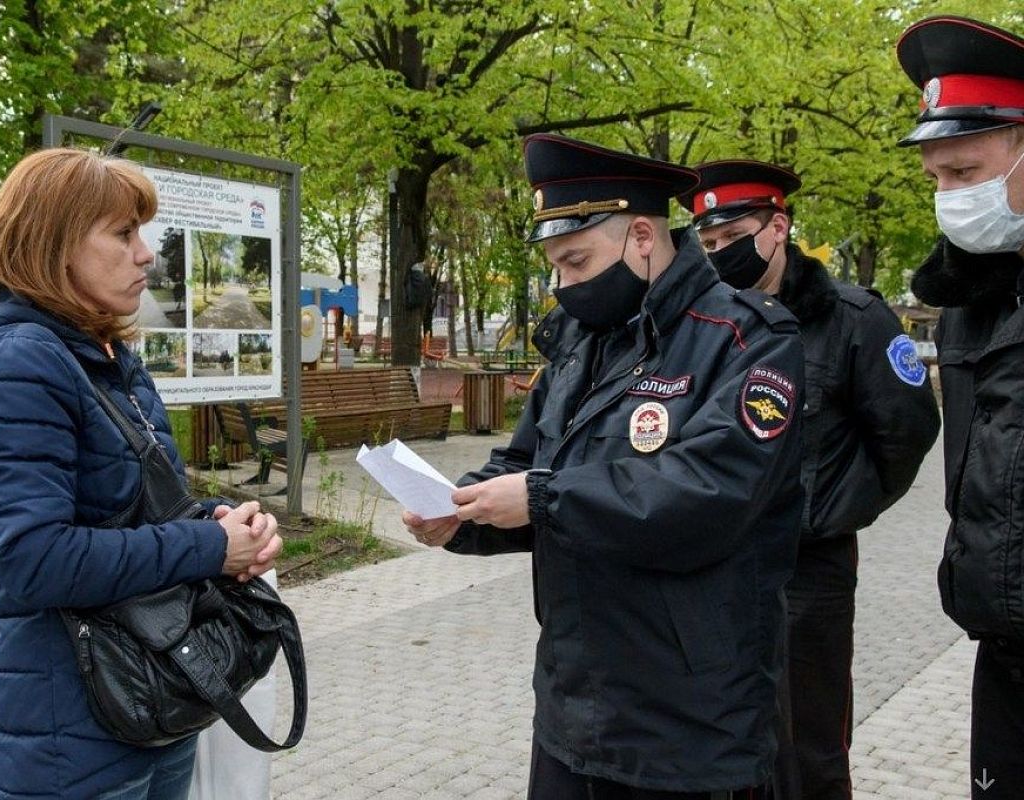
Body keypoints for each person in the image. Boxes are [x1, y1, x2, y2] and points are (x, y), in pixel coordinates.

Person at [405, 132, 806, 798]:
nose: (564, 286)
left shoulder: (748, 340)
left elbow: (707, 493)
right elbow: (527, 463)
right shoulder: (580, 347)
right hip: (576, 703)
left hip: (688, 720)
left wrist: (540, 498)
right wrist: (459, 512)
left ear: (642, 237)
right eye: (556, 267)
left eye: (576, 261)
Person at [0, 148, 282, 800]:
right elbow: (32, 559)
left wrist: (222, 527)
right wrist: (207, 546)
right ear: (55, 245)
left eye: (141, 233)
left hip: (150, 700)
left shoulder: (102, 353)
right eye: (122, 234)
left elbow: (137, 510)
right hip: (75, 730)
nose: (145, 254)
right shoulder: (20, 362)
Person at [681, 163, 940, 800]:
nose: (719, 255)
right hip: (719, 564)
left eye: (733, 236)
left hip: (809, 570)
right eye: (707, 244)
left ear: (778, 227)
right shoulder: (704, 325)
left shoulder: (853, 319)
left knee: (809, 743)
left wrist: (837, 506)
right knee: (722, 734)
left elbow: (907, 430)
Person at [897, 15, 1024, 797]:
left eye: (967, 171)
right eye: (938, 178)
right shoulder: (973, 299)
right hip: (1005, 652)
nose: (950, 198)